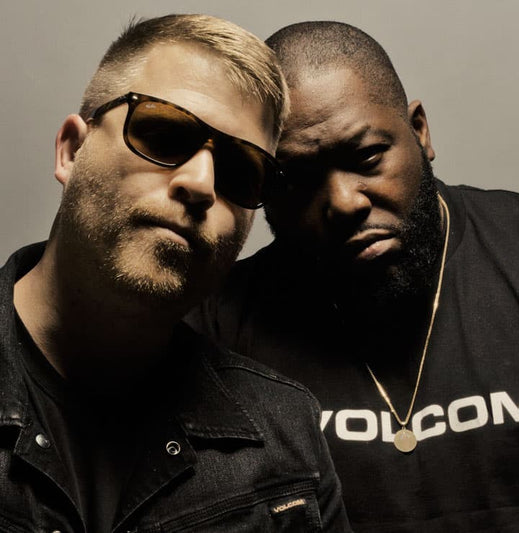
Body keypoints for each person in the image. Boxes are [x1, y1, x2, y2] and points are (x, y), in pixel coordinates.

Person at [0, 15, 351, 532]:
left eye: (240, 171)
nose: (202, 184)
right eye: (164, 135)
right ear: (72, 151)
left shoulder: (287, 437)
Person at [187, 20, 519, 532]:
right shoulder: (215, 327)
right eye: (298, 179)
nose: (344, 202)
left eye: (368, 157)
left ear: (420, 132)